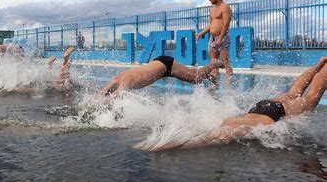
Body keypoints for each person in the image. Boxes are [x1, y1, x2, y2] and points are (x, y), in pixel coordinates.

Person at [140, 57, 327, 151]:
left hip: (266, 112)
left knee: (310, 99)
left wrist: (182, 146)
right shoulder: (220, 123)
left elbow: (213, 137)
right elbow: (208, 136)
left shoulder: (228, 127)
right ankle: (320, 64)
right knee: (295, 93)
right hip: (265, 109)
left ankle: (324, 68)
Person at [102, 55, 224, 96]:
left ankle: (214, 64)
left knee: (196, 79)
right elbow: (103, 93)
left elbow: (112, 98)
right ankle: (194, 70)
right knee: (191, 74)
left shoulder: (124, 83)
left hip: (166, 65)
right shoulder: (119, 78)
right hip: (158, 66)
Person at [196, 0, 233, 88]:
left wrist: (221, 38)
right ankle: (214, 83)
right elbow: (211, 24)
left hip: (223, 37)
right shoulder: (212, 10)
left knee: (226, 61)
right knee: (214, 61)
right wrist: (201, 33)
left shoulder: (225, 7)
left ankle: (230, 87)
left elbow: (226, 24)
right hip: (212, 38)